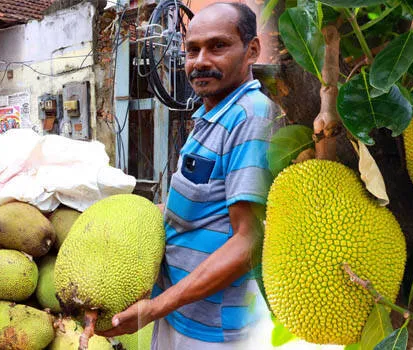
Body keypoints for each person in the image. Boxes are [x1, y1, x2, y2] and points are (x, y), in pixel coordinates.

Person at [97, 2, 281, 349]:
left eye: (218, 46)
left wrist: (155, 308)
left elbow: (249, 239)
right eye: (192, 50)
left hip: (217, 331)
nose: (200, 62)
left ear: (252, 50)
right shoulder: (209, 116)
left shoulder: (251, 118)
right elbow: (199, 206)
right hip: (182, 313)